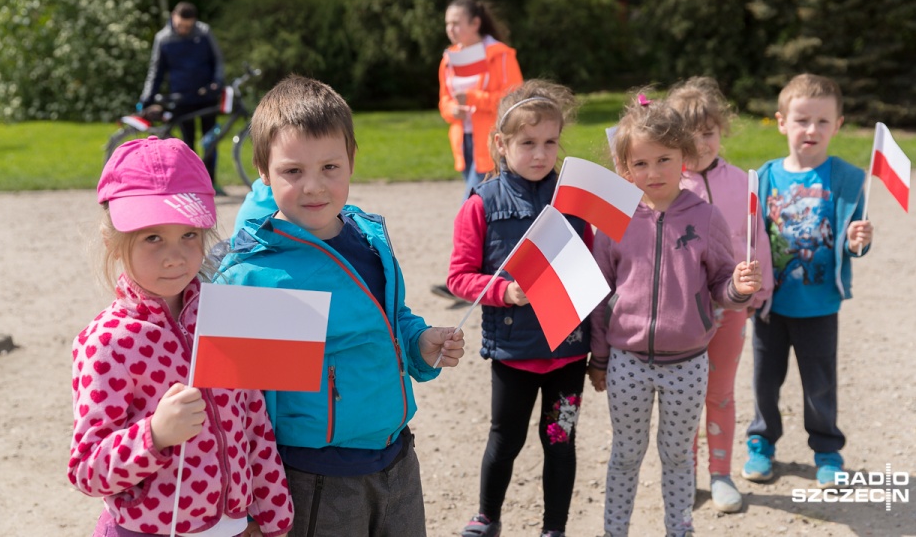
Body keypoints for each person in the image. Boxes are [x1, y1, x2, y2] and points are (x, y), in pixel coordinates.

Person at [215, 74, 466, 537]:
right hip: (316, 480)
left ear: (351, 161)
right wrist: (246, 508)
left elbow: (392, 319)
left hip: (397, 461)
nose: (314, 186)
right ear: (263, 172)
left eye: (330, 167)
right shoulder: (252, 275)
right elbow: (236, 410)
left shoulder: (369, 240)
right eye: (293, 171)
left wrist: (420, 342)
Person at [68, 136, 293, 537]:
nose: (175, 255)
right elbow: (87, 469)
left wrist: (273, 521)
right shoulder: (107, 342)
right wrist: (154, 434)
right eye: (153, 237)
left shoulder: (224, 313)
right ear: (112, 241)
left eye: (188, 235)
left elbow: (255, 423)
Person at [588, 93, 762, 537]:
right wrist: (600, 356)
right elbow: (599, 293)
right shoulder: (615, 218)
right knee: (626, 453)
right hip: (628, 363)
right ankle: (615, 531)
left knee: (677, 455)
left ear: (684, 158)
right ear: (624, 168)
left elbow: (722, 285)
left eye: (663, 160)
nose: (652, 172)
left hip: (687, 365)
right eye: (640, 163)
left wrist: (738, 289)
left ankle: (679, 529)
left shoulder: (706, 217)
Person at [446, 79, 587, 537]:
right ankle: (488, 516)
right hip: (513, 350)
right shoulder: (480, 204)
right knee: (505, 439)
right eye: (528, 143)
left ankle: (554, 528)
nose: (541, 154)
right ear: (501, 144)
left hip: (567, 350)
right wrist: (504, 291)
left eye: (550, 142)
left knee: (559, 442)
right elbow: (458, 276)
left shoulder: (573, 200)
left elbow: (590, 270)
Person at [741, 73, 873, 489]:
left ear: (839, 125)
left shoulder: (846, 180)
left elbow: (854, 242)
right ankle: (761, 441)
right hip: (770, 305)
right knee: (765, 379)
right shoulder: (763, 178)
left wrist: (857, 242)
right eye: (801, 120)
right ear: (782, 122)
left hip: (819, 306)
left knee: (820, 383)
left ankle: (827, 449)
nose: (811, 130)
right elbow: (748, 235)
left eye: (822, 121)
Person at [666, 76, 774, 513]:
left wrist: (761, 287)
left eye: (708, 132)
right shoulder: (668, 184)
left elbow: (757, 235)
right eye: (689, 135)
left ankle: (721, 474)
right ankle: (683, 477)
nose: (700, 143)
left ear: (721, 131)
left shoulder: (740, 182)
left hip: (731, 308)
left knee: (721, 392)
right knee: (684, 396)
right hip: (682, 315)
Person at [433, 0, 523, 301]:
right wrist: (451, 110)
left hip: (492, 141)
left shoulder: (500, 54)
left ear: (475, 23)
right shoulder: (450, 58)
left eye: (457, 22)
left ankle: (462, 278)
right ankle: (483, 274)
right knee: (481, 211)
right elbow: (444, 100)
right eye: (448, 23)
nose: (451, 29)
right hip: (465, 142)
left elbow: (513, 98)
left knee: (468, 207)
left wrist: (473, 97)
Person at [139, 1, 226, 194]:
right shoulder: (163, 39)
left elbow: (218, 60)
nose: (183, 30)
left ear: (194, 22)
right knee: (187, 145)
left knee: (210, 142)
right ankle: (191, 185)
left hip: (206, 97)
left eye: (187, 27)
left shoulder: (204, 32)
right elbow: (156, 71)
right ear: (173, 18)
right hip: (182, 99)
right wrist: (146, 98)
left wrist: (217, 82)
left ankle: (211, 184)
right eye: (180, 25)